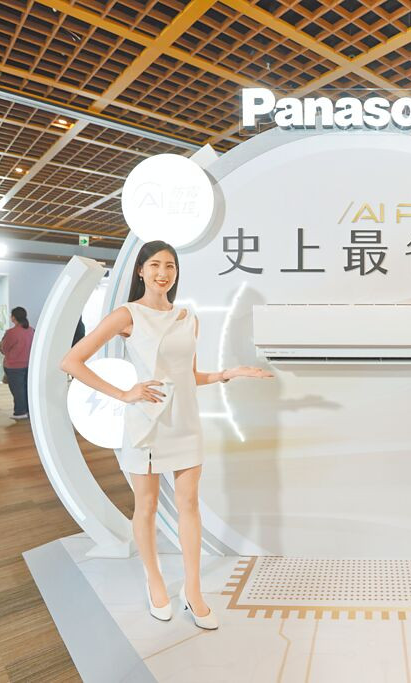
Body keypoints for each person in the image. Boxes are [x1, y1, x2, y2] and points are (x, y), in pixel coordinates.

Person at [61, 240, 272, 628]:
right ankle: (154, 580)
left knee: (190, 504)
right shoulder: (127, 315)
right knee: (147, 506)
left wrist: (227, 373)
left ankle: (193, 590)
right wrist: (124, 393)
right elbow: (71, 361)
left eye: (170, 266)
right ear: (141, 271)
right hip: (147, 423)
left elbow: (187, 376)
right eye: (155, 265)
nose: (163, 273)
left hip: (185, 422)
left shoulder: (188, 317)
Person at [0, 307, 34, 420]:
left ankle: (20, 412)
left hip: (14, 365)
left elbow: (4, 348)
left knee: (17, 389)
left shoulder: (11, 332)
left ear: (13, 317)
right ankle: (28, 410)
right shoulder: (31, 330)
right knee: (27, 388)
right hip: (29, 364)